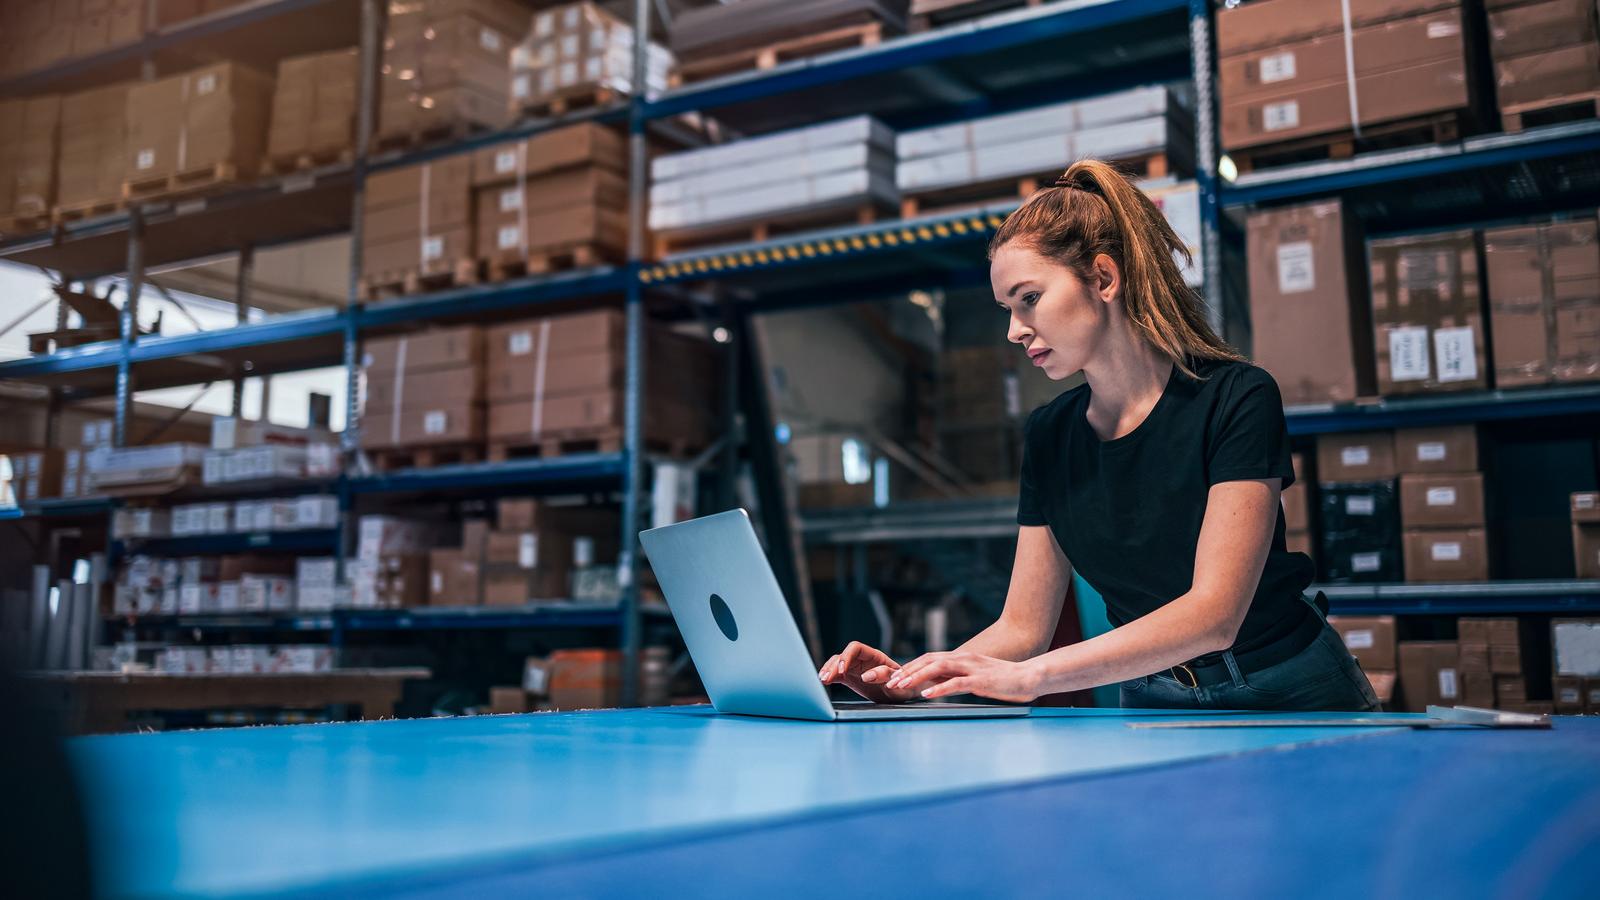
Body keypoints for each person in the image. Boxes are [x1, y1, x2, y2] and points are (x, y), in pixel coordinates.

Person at [819, 159, 1380, 712]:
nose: (1014, 330)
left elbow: (1215, 615)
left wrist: (1032, 678)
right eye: (1006, 309)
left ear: (1104, 278)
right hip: (1154, 695)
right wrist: (915, 682)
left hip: (1288, 688)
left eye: (1029, 298)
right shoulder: (1050, 434)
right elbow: (1022, 627)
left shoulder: (1236, 397)